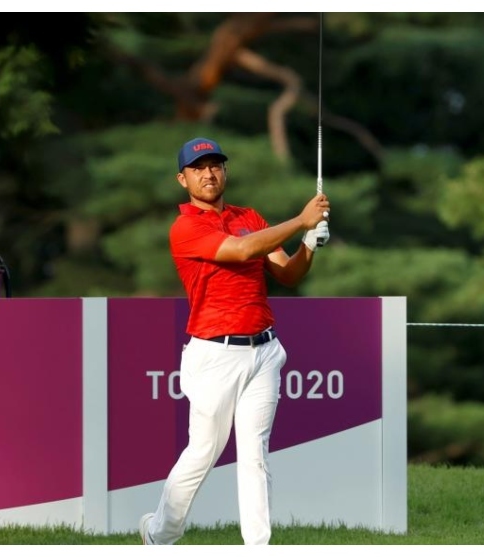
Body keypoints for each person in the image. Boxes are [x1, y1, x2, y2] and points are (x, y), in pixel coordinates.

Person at [139, 137, 330, 546]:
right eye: (198, 168)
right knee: (203, 451)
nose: (208, 173)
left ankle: (258, 548)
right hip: (214, 354)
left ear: (225, 171)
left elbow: (288, 274)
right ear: (182, 179)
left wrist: (310, 242)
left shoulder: (251, 217)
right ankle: (160, 535)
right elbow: (242, 251)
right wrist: (301, 221)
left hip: (263, 351)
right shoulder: (186, 226)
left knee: (255, 456)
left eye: (215, 165)